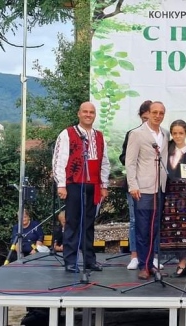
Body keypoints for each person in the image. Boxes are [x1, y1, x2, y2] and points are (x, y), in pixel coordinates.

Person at [52, 102, 110, 273]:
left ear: (95, 115)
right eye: (85, 111)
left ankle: (89, 260)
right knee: (73, 223)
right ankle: (70, 261)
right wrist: (61, 184)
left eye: (91, 112)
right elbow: (59, 160)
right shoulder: (67, 133)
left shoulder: (99, 136)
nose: (88, 115)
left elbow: (104, 162)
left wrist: (104, 184)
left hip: (93, 185)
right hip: (74, 183)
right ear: (78, 114)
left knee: (89, 224)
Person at [125, 101, 170, 280]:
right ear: (148, 114)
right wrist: (133, 185)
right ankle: (144, 265)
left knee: (155, 227)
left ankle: (152, 262)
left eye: (161, 113)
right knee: (143, 228)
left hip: (160, 187)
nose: (158, 116)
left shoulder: (165, 134)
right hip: (142, 188)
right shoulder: (137, 134)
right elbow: (130, 161)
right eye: (155, 112)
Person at [161, 120, 186, 278]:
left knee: (183, 230)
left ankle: (182, 264)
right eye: (175, 133)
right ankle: (171, 261)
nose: (177, 136)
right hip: (169, 194)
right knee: (169, 230)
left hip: (184, 195)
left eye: (180, 133)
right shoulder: (166, 151)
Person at [120, 100, 152, 270]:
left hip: (152, 185)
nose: (148, 121)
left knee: (152, 221)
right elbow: (124, 158)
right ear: (140, 117)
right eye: (145, 117)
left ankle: (150, 256)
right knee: (134, 220)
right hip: (134, 185)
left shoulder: (160, 135)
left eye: (151, 117)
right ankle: (134, 255)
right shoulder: (133, 133)